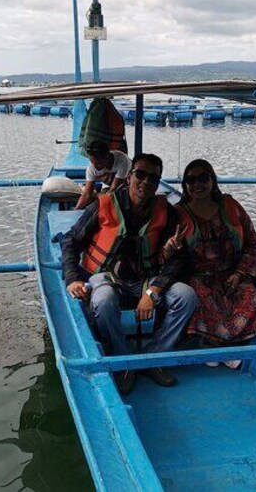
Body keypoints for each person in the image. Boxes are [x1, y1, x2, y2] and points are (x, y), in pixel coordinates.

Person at [62, 153, 198, 395]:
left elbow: (180, 259)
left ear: (158, 184)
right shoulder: (103, 205)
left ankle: (153, 358)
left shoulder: (165, 212)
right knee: (102, 302)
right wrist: (72, 278)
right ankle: (124, 361)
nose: (145, 183)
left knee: (186, 296)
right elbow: (71, 240)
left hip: (147, 279)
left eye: (153, 178)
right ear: (129, 177)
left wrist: (153, 290)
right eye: (140, 175)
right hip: (107, 278)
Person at [164, 159, 256, 369]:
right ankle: (215, 344)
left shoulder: (229, 205)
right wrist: (171, 247)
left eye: (203, 178)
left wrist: (239, 272)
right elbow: (167, 257)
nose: (197, 184)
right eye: (190, 180)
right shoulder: (179, 212)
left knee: (250, 297)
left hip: (231, 273)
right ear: (185, 185)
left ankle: (226, 344)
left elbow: (253, 242)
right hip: (198, 276)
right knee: (202, 299)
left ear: (213, 180)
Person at [75, 140, 131, 210]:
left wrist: (99, 197)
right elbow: (87, 195)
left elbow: (114, 189)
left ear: (107, 157)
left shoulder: (122, 161)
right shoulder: (91, 168)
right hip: (108, 187)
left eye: (98, 163)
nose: (95, 166)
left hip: (126, 187)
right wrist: (75, 210)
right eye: (92, 162)